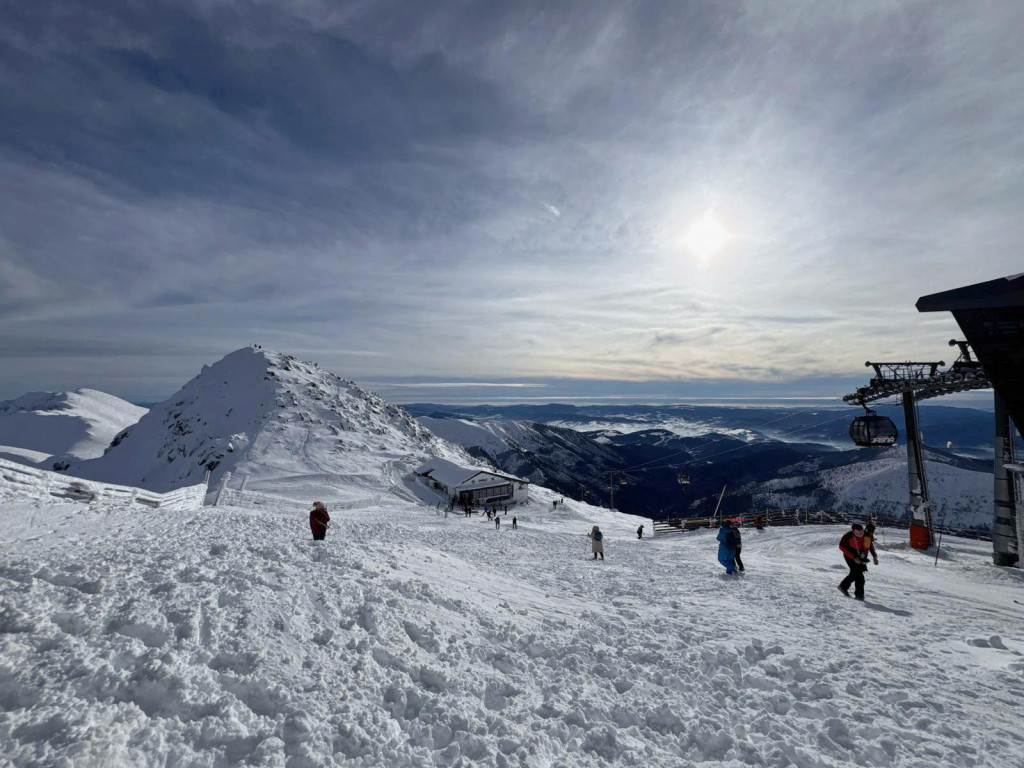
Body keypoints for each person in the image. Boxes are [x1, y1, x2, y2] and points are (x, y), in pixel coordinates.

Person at [838, 523, 868, 600]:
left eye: (862, 532)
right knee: (858, 575)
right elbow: (841, 547)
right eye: (858, 533)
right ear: (854, 531)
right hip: (849, 556)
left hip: (859, 556)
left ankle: (843, 586)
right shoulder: (848, 536)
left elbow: (866, 547)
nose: (861, 534)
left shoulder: (865, 535)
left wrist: (864, 558)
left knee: (855, 573)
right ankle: (859, 595)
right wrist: (853, 558)